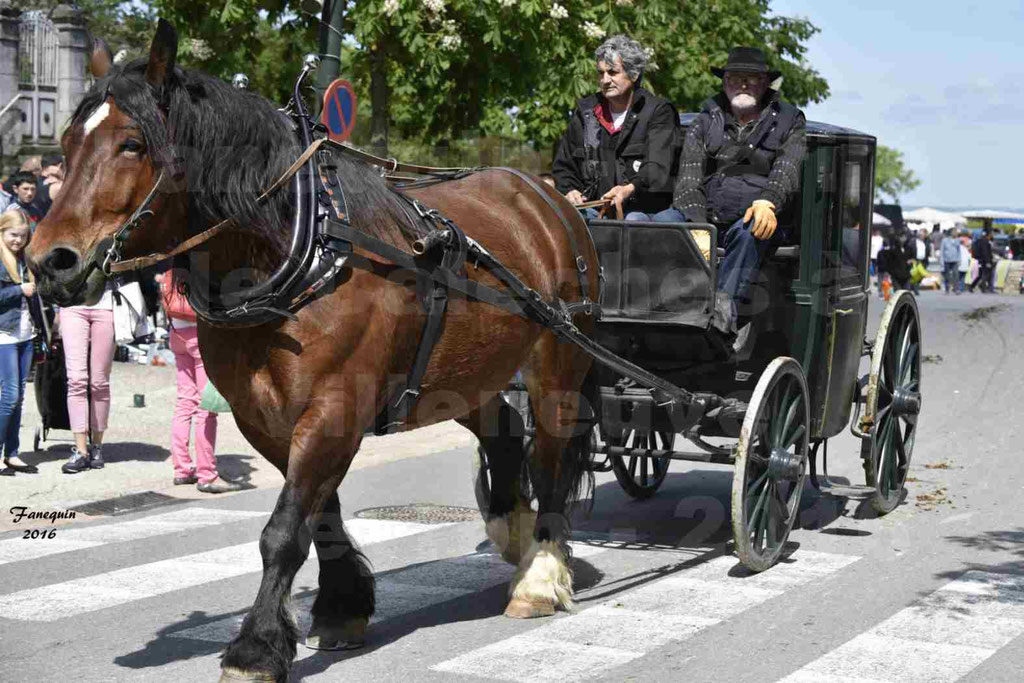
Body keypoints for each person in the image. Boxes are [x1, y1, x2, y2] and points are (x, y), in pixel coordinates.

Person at [656, 46, 806, 335]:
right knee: (662, 223)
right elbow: (688, 181)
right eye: (735, 78)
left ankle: (721, 317)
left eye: (751, 78)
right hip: (706, 217)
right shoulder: (705, 119)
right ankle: (655, 310)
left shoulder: (789, 120)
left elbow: (787, 169)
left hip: (756, 219)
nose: (743, 84)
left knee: (750, 229)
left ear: (765, 83)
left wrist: (768, 202)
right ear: (725, 83)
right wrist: (697, 226)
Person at [552, 34, 679, 220]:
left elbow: (657, 169)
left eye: (612, 72)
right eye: (600, 73)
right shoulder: (585, 112)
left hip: (645, 211)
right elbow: (564, 166)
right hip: (593, 211)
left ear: (634, 75)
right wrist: (570, 190)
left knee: (634, 220)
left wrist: (628, 189)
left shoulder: (659, 111)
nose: (605, 80)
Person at [159, 270, 240, 493]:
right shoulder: (202, 261)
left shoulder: (174, 262)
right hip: (200, 334)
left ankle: (182, 470)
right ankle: (207, 475)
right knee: (207, 406)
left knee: (185, 401)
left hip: (177, 332)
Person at [58, 279, 118, 474]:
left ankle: (97, 447)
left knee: (100, 382)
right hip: (72, 304)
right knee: (76, 380)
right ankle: (81, 450)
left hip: (106, 304)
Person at [0, 212, 43, 476]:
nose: (18, 240)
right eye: (13, 235)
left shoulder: (25, 260)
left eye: (23, 236)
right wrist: (20, 289)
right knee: (10, 396)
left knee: (19, 399)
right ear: (2, 232)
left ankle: (12, 453)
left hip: (27, 334)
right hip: (4, 335)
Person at [939, 229, 961, 294]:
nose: (956, 233)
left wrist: (959, 259)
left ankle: (956, 289)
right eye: (955, 232)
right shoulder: (945, 240)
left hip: (955, 260)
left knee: (956, 274)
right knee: (947, 275)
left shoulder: (957, 240)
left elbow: (958, 250)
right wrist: (941, 261)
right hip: (947, 259)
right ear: (951, 233)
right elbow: (942, 251)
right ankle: (947, 289)